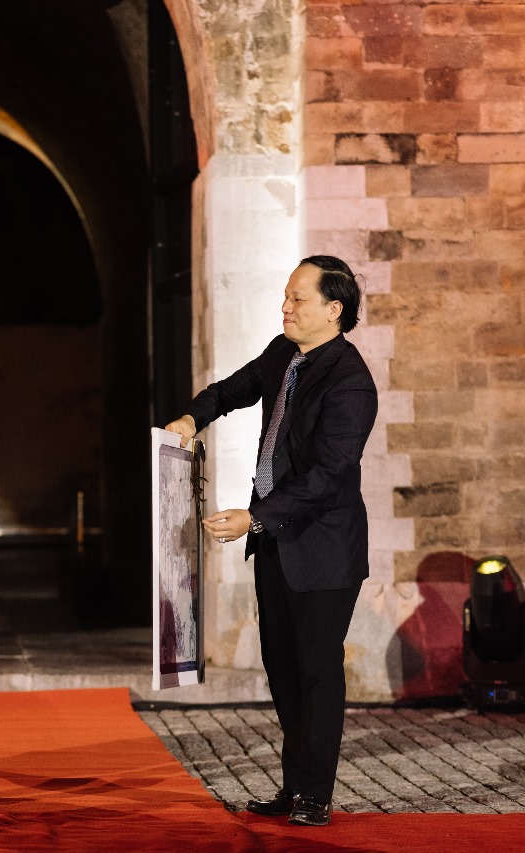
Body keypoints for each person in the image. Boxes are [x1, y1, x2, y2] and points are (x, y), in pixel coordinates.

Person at [164, 255, 377, 827]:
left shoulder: (350, 381)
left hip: (323, 548)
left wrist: (254, 519)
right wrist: (191, 418)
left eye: (297, 299)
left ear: (334, 310)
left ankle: (315, 795)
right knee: (282, 669)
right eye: (285, 296)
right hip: (278, 544)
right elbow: (235, 388)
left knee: (316, 669)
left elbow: (326, 477)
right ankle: (292, 787)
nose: (285, 308)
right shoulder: (284, 354)